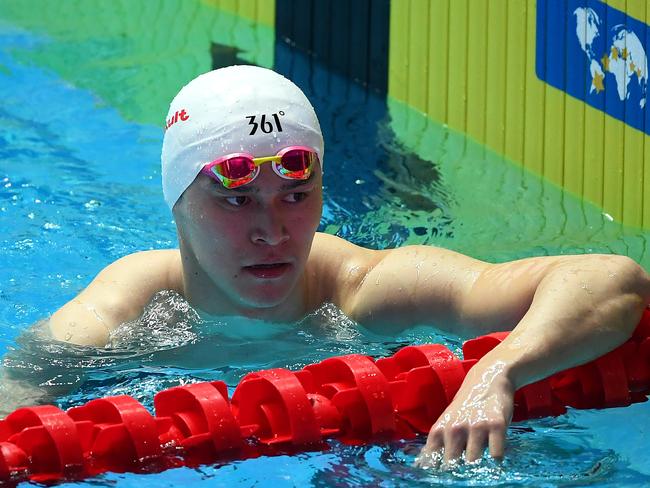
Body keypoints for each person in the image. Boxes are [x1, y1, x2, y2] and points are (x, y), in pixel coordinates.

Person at [46, 66, 649, 466]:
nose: (273, 230)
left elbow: (613, 279)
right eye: (236, 199)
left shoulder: (366, 289)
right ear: (177, 201)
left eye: (295, 195)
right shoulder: (128, 312)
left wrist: (497, 373)